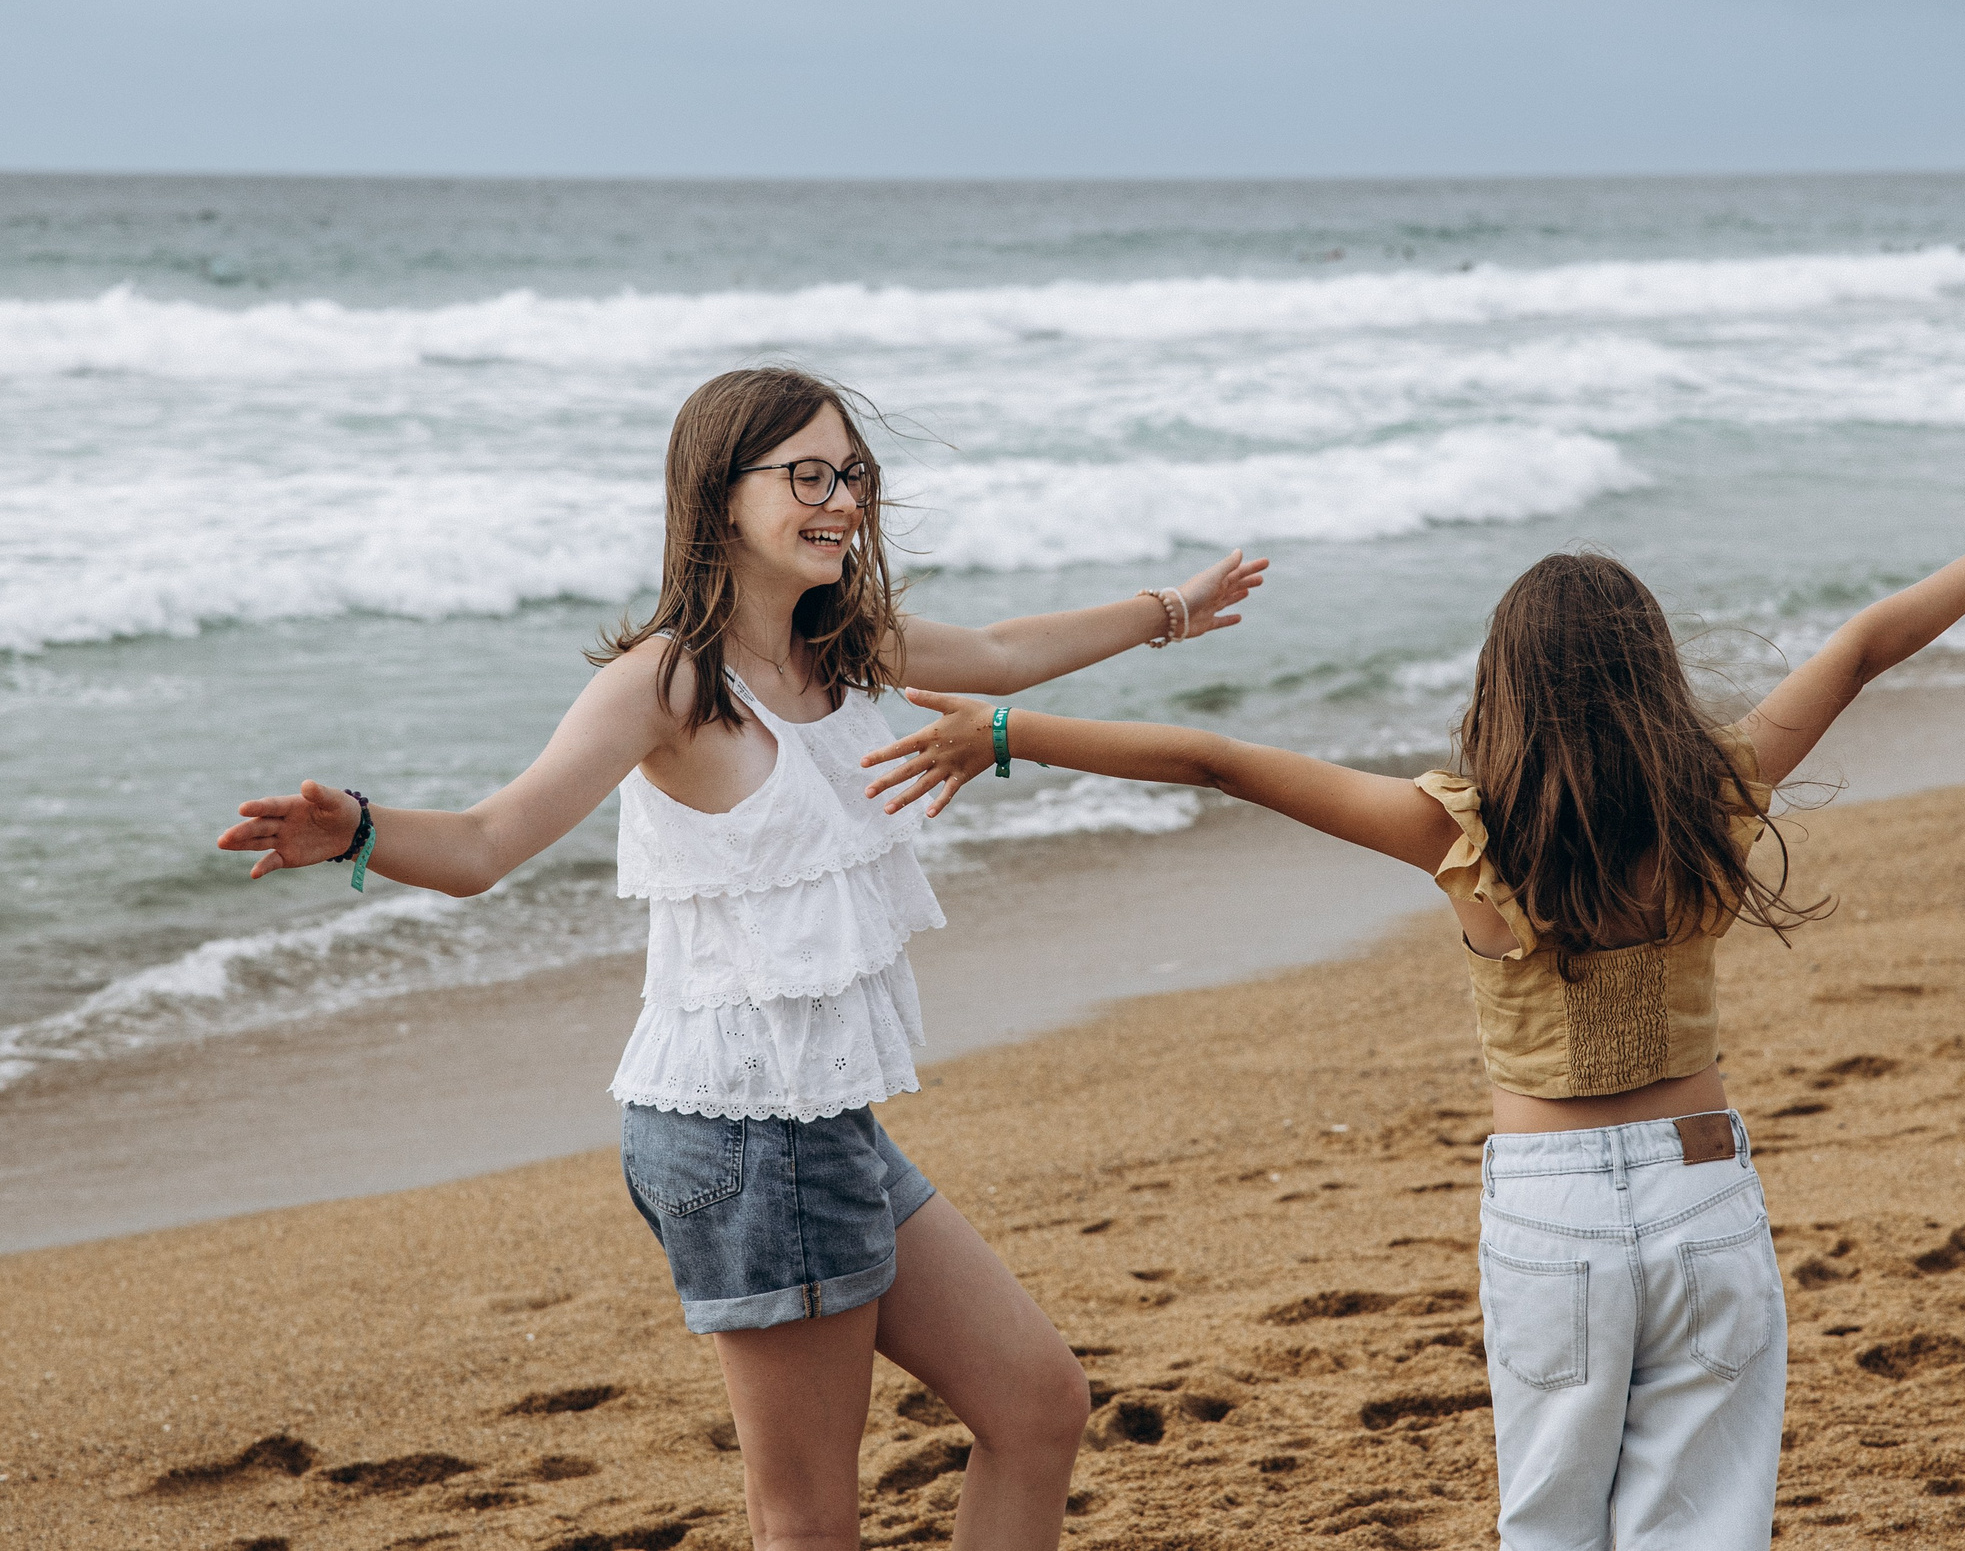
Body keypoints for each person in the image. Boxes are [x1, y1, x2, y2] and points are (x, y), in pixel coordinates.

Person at [860, 513, 1965, 1551]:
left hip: (1551, 1210)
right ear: (1651, 673)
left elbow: (1216, 761)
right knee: (1704, 1523)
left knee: (1550, 1523)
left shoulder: (1464, 829)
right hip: (1701, 1194)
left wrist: (1010, 733)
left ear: (1502, 684)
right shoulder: (1717, 791)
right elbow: (1859, 649)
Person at [215, 365, 1268, 1551]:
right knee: (808, 1521)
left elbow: (1006, 652)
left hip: (820, 1118)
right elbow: (484, 843)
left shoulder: (840, 649)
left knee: (1036, 1405)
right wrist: (357, 828)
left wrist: (1170, 610)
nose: (840, 500)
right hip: (744, 1135)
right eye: (805, 475)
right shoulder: (667, 682)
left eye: (852, 475)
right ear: (720, 497)